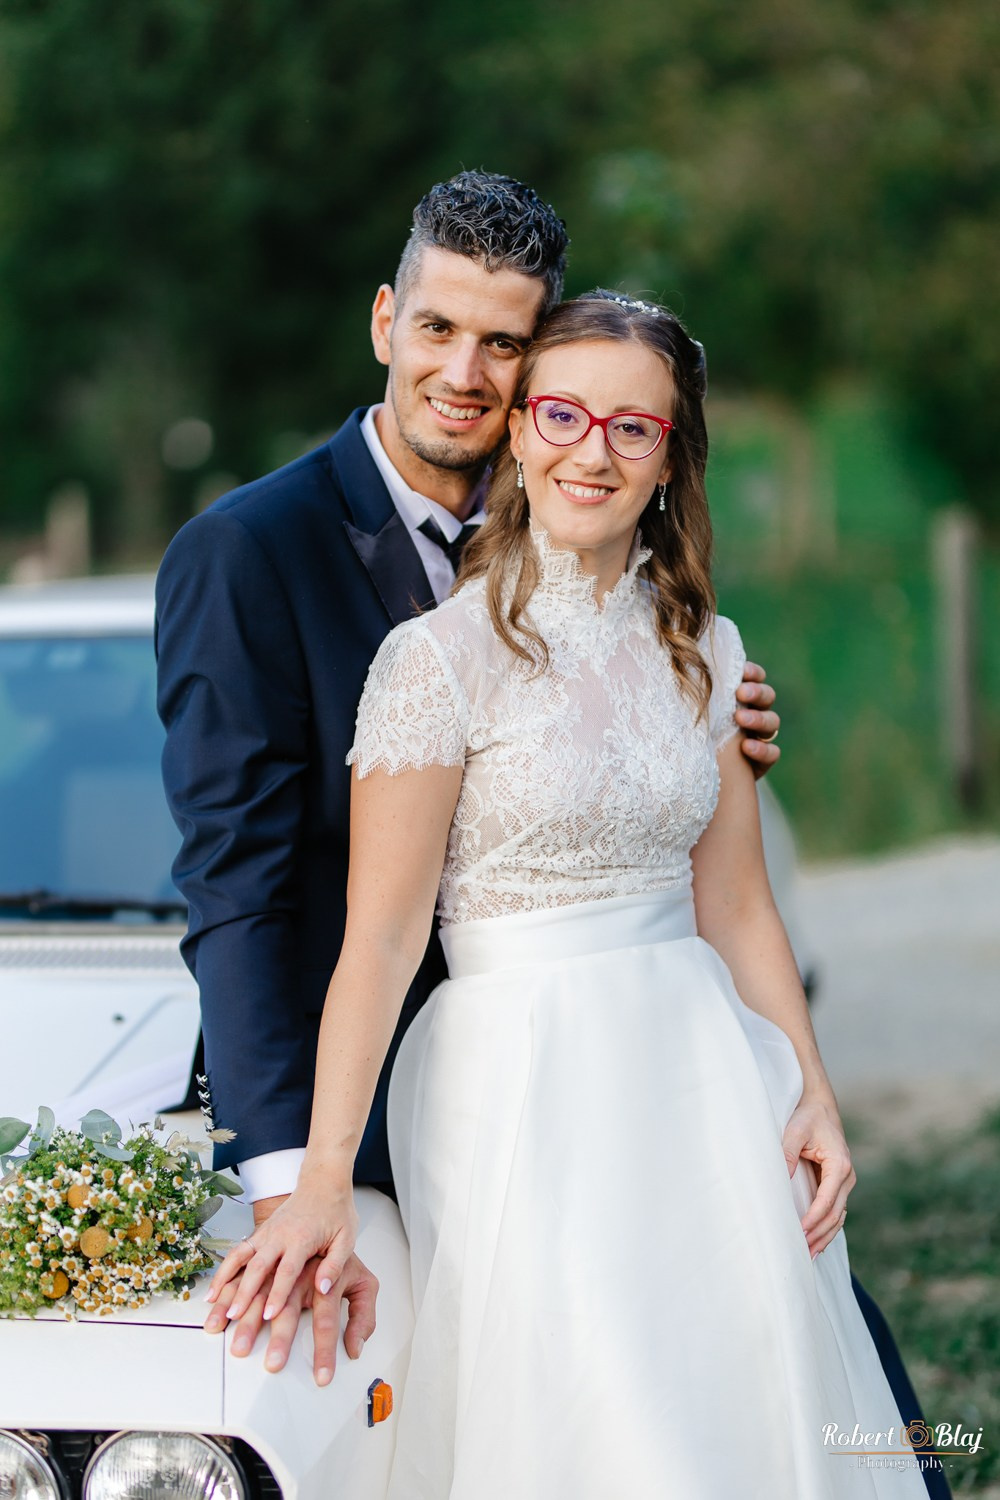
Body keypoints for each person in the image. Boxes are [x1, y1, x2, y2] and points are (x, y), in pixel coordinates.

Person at [206, 292, 933, 1497]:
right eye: (563, 415)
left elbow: (738, 906)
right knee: (595, 1417)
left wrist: (809, 1089)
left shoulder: (709, 650)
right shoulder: (435, 662)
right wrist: (320, 1177)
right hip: (519, 1088)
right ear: (518, 431)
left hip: (705, 1079)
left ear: (669, 459)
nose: (592, 451)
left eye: (632, 428)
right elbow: (380, 940)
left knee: (736, 1411)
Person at [154, 173, 780, 1377]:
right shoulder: (246, 552)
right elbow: (238, 886)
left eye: (502, 344)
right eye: (437, 328)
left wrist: (720, 715)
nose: (462, 372)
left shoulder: (589, 511)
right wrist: (290, 1179)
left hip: (627, 1080)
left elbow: (643, 730)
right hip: (379, 1117)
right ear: (384, 321)